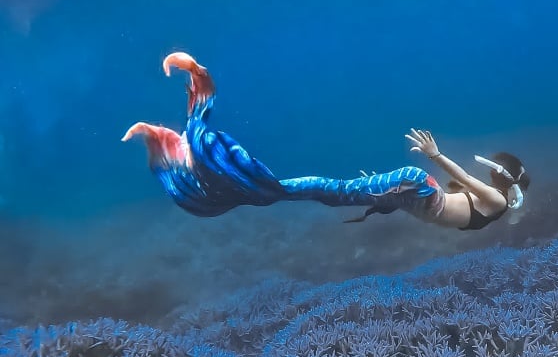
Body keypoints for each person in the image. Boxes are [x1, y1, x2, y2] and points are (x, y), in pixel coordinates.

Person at [124, 51, 529, 231]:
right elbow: (436, 202)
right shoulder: (489, 208)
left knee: (324, 191)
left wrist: (433, 158)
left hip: (415, 188)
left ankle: (205, 141)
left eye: (493, 169)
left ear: (502, 177)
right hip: (415, 187)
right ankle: (205, 134)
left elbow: (459, 181)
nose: (486, 172)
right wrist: (386, 189)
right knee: (323, 190)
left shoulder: (494, 202)